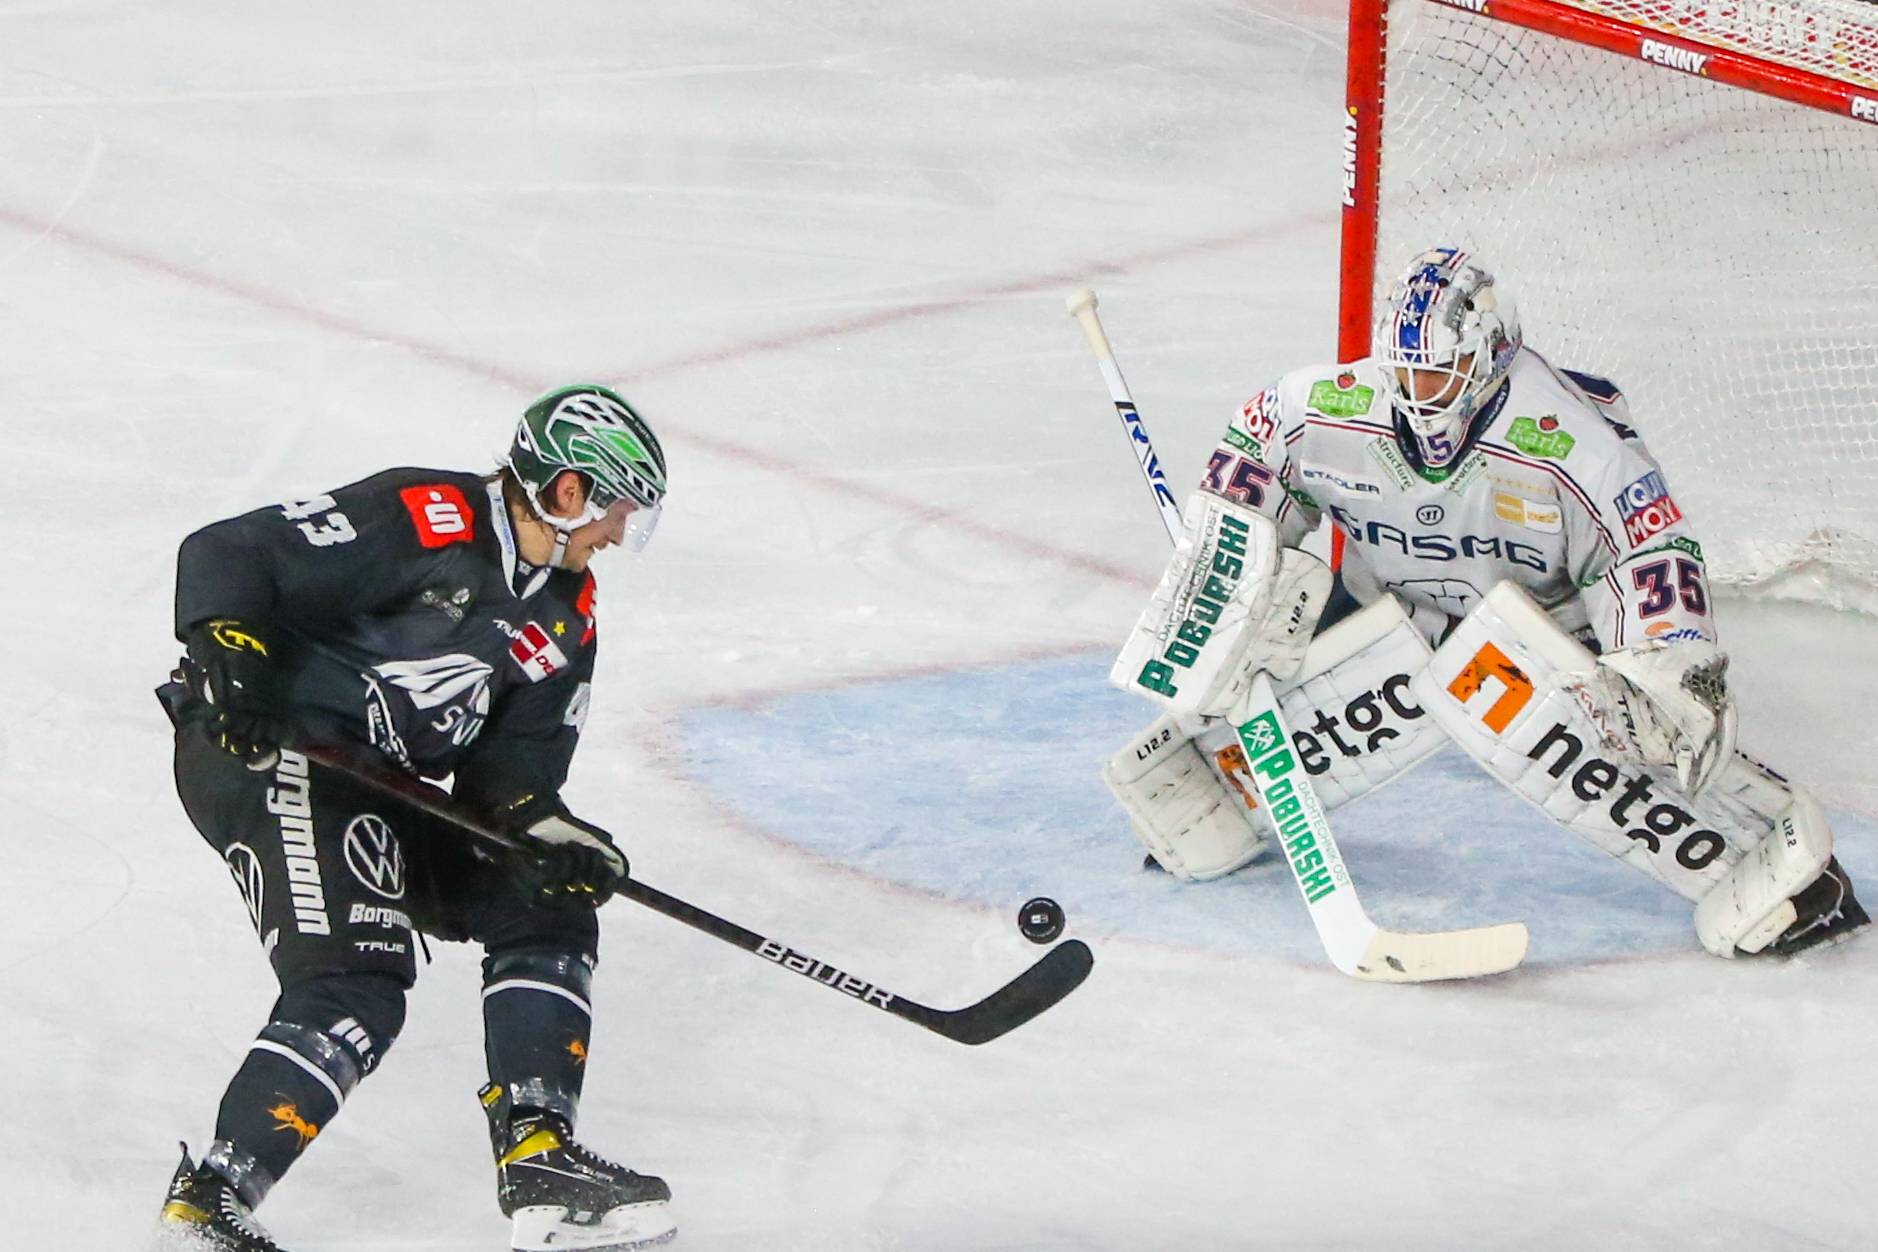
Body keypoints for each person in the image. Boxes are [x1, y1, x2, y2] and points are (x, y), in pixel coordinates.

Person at [1103, 247, 1866, 958]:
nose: (1416, 396)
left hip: (1537, 638)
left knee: (1622, 728)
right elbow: (1258, 439)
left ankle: (1783, 877)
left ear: (1491, 357)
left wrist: (1665, 660)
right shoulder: (1331, 408)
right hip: (1391, 612)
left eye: (1437, 376)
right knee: (1253, 667)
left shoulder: (1572, 442)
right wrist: (1225, 576)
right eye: (1404, 375)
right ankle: (1212, 793)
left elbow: (1644, 548)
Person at [154, 385, 678, 1252]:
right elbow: (230, 552)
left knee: (544, 902)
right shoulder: (427, 518)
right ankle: (206, 1204)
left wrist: (551, 838)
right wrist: (231, 655)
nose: (620, 534)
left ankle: (540, 1155)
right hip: (271, 754)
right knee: (356, 979)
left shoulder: (566, 615)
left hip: (381, 785)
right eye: (618, 509)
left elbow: (511, 776)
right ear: (569, 490)